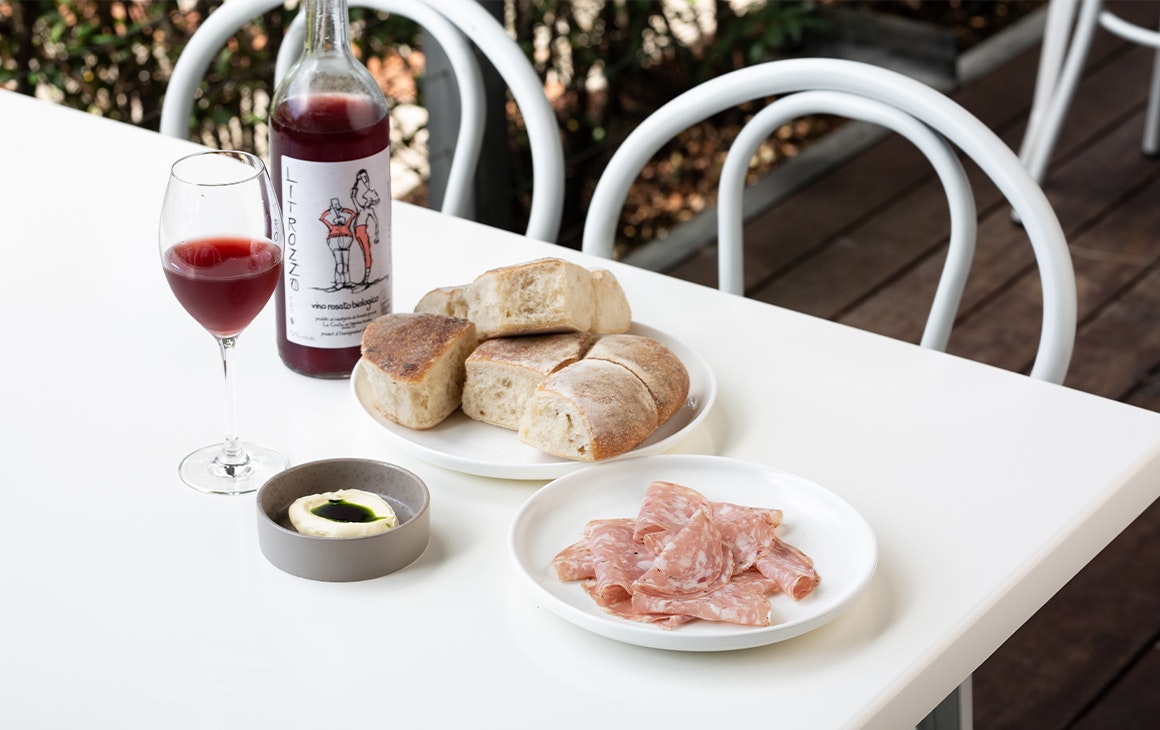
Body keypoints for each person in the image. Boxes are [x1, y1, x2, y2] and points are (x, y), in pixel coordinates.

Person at [350, 168, 381, 285]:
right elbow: (352, 197)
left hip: (362, 232)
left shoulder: (369, 210)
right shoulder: (361, 209)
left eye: (368, 199)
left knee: (367, 253)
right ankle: (362, 278)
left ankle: (366, 279)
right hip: (356, 232)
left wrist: (377, 234)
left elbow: (376, 222)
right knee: (360, 254)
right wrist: (356, 181)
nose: (367, 201)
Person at [319, 197, 356, 288]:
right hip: (335, 243)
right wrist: (330, 210)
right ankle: (339, 282)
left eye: (342, 218)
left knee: (346, 264)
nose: (340, 219)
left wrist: (342, 209)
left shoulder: (347, 225)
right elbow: (322, 218)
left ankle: (347, 282)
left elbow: (353, 214)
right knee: (339, 263)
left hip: (346, 244)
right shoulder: (332, 227)